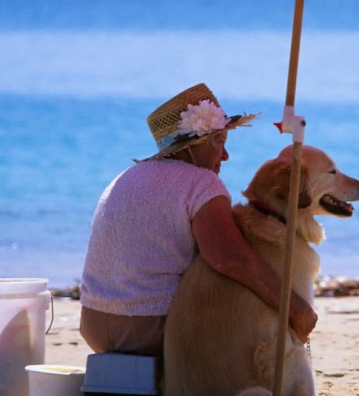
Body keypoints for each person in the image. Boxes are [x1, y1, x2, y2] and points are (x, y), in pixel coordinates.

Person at [79, 83, 318, 356]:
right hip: (155, 328)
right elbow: (230, 259)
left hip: (94, 324)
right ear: (193, 146)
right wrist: (296, 308)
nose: (226, 156)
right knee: (255, 298)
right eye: (219, 143)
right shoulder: (201, 183)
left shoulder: (127, 177)